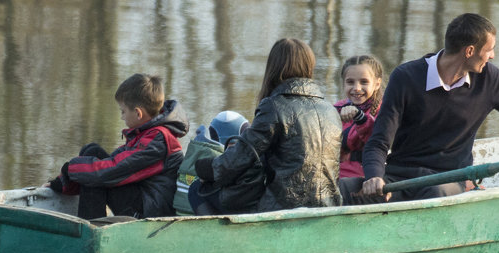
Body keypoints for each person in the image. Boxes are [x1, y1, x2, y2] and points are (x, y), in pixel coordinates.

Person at [351, 13, 499, 203]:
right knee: (343, 189)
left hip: (451, 179)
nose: (492, 56)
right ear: (469, 51)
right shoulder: (406, 77)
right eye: (489, 49)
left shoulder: (489, 80)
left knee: (434, 196)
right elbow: (379, 141)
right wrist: (374, 177)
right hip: (401, 176)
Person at [193, 38, 343, 213]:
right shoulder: (330, 110)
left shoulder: (274, 106)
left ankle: (225, 240)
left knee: (196, 190)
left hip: (282, 207)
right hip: (329, 206)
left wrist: (204, 169)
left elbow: (240, 158)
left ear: (274, 67)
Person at [48, 73, 188, 220]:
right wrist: (61, 183)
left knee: (97, 174)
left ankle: (91, 230)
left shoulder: (158, 140)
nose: (122, 116)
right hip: (142, 200)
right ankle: (91, 224)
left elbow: (114, 169)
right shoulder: (146, 134)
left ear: (138, 113)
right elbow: (114, 162)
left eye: (123, 111)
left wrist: (69, 170)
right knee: (92, 152)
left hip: (151, 213)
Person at [334, 54, 385, 179]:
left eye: (364, 82)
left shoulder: (385, 111)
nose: (357, 88)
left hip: (364, 176)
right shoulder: (336, 108)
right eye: (350, 82)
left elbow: (377, 142)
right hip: (334, 171)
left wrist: (361, 119)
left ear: (377, 84)